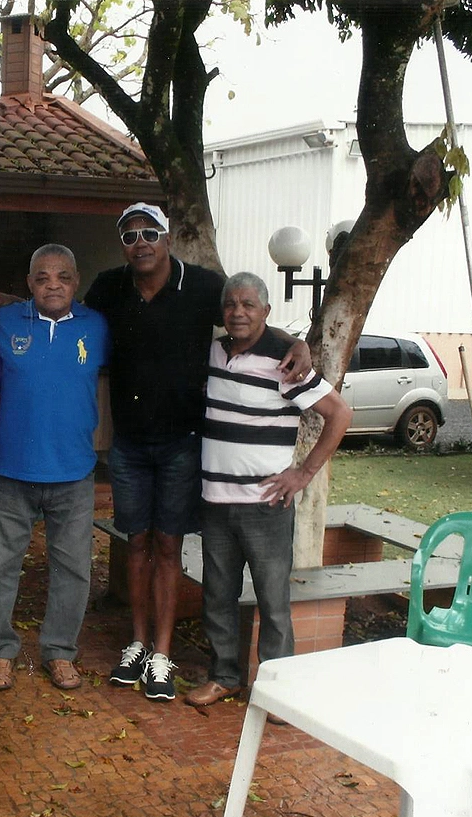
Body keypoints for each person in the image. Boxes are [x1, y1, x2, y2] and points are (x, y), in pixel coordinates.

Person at [84, 203, 312, 702]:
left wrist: (300, 341)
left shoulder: (206, 287)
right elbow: (69, 316)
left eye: (150, 233)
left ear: (167, 238)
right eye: (130, 235)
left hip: (183, 447)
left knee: (168, 548)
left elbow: (249, 316)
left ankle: (163, 656)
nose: (140, 242)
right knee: (135, 545)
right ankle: (139, 644)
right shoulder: (108, 287)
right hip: (129, 445)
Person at [185, 272, 351, 708]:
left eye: (249, 305)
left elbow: (339, 415)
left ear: (265, 312)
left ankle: (278, 693)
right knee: (217, 596)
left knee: (273, 602)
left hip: (265, 506)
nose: (238, 312)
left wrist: (303, 474)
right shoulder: (214, 352)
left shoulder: (286, 361)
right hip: (216, 503)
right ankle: (225, 676)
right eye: (231, 305)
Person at [0, 244, 109, 692]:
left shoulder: (97, 326)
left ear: (76, 280)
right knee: (0, 566)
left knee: (73, 569)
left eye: (63, 277)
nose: (53, 284)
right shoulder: (4, 323)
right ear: (29, 282)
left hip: (74, 474)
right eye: (42, 277)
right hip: (13, 471)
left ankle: (59, 651)